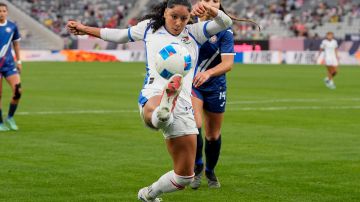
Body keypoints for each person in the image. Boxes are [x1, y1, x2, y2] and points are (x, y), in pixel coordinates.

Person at [66, 0, 232, 201]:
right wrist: (84, 29)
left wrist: (210, 9)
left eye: (183, 18)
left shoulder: (195, 32)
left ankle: (149, 194)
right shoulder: (148, 29)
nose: (178, 22)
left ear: (189, 18)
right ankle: (161, 114)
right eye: (174, 17)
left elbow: (225, 22)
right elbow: (119, 35)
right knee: (157, 111)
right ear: (164, 13)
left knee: (184, 177)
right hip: (155, 91)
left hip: (183, 103)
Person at [190, 0, 234, 189]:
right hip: (193, 84)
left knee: (213, 135)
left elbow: (228, 64)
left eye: (216, 0)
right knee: (195, 125)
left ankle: (210, 170)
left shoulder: (225, 30)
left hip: (216, 86)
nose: (212, 3)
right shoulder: (188, 25)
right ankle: (198, 166)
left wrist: (208, 73)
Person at [0, 3, 22, 131]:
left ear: (7, 12)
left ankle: (10, 117)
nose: (1, 13)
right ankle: (0, 122)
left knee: (18, 91)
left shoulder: (12, 26)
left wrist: (19, 61)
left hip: (8, 64)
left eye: (4, 11)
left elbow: (16, 45)